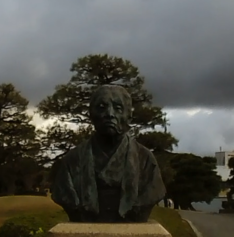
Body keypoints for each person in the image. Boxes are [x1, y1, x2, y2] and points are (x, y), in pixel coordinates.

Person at [51, 85, 166, 223]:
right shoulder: (72, 160)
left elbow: (154, 193)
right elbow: (63, 195)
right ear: (91, 114)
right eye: (101, 107)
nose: (110, 114)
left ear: (129, 116)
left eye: (118, 108)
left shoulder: (145, 159)